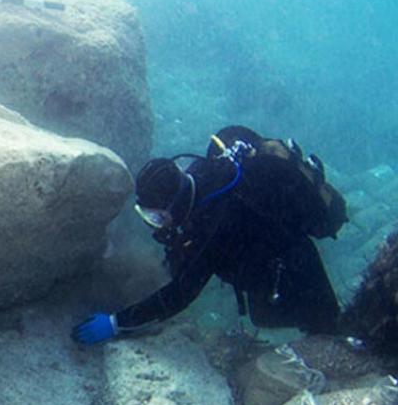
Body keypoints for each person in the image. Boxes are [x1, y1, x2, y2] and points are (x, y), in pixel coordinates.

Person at [73, 125, 347, 345]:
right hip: (270, 252)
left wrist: (115, 323)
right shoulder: (199, 177)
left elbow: (180, 294)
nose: (155, 226)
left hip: (296, 261)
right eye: (147, 217)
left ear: (177, 203)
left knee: (325, 327)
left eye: (156, 217)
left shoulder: (217, 222)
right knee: (263, 315)